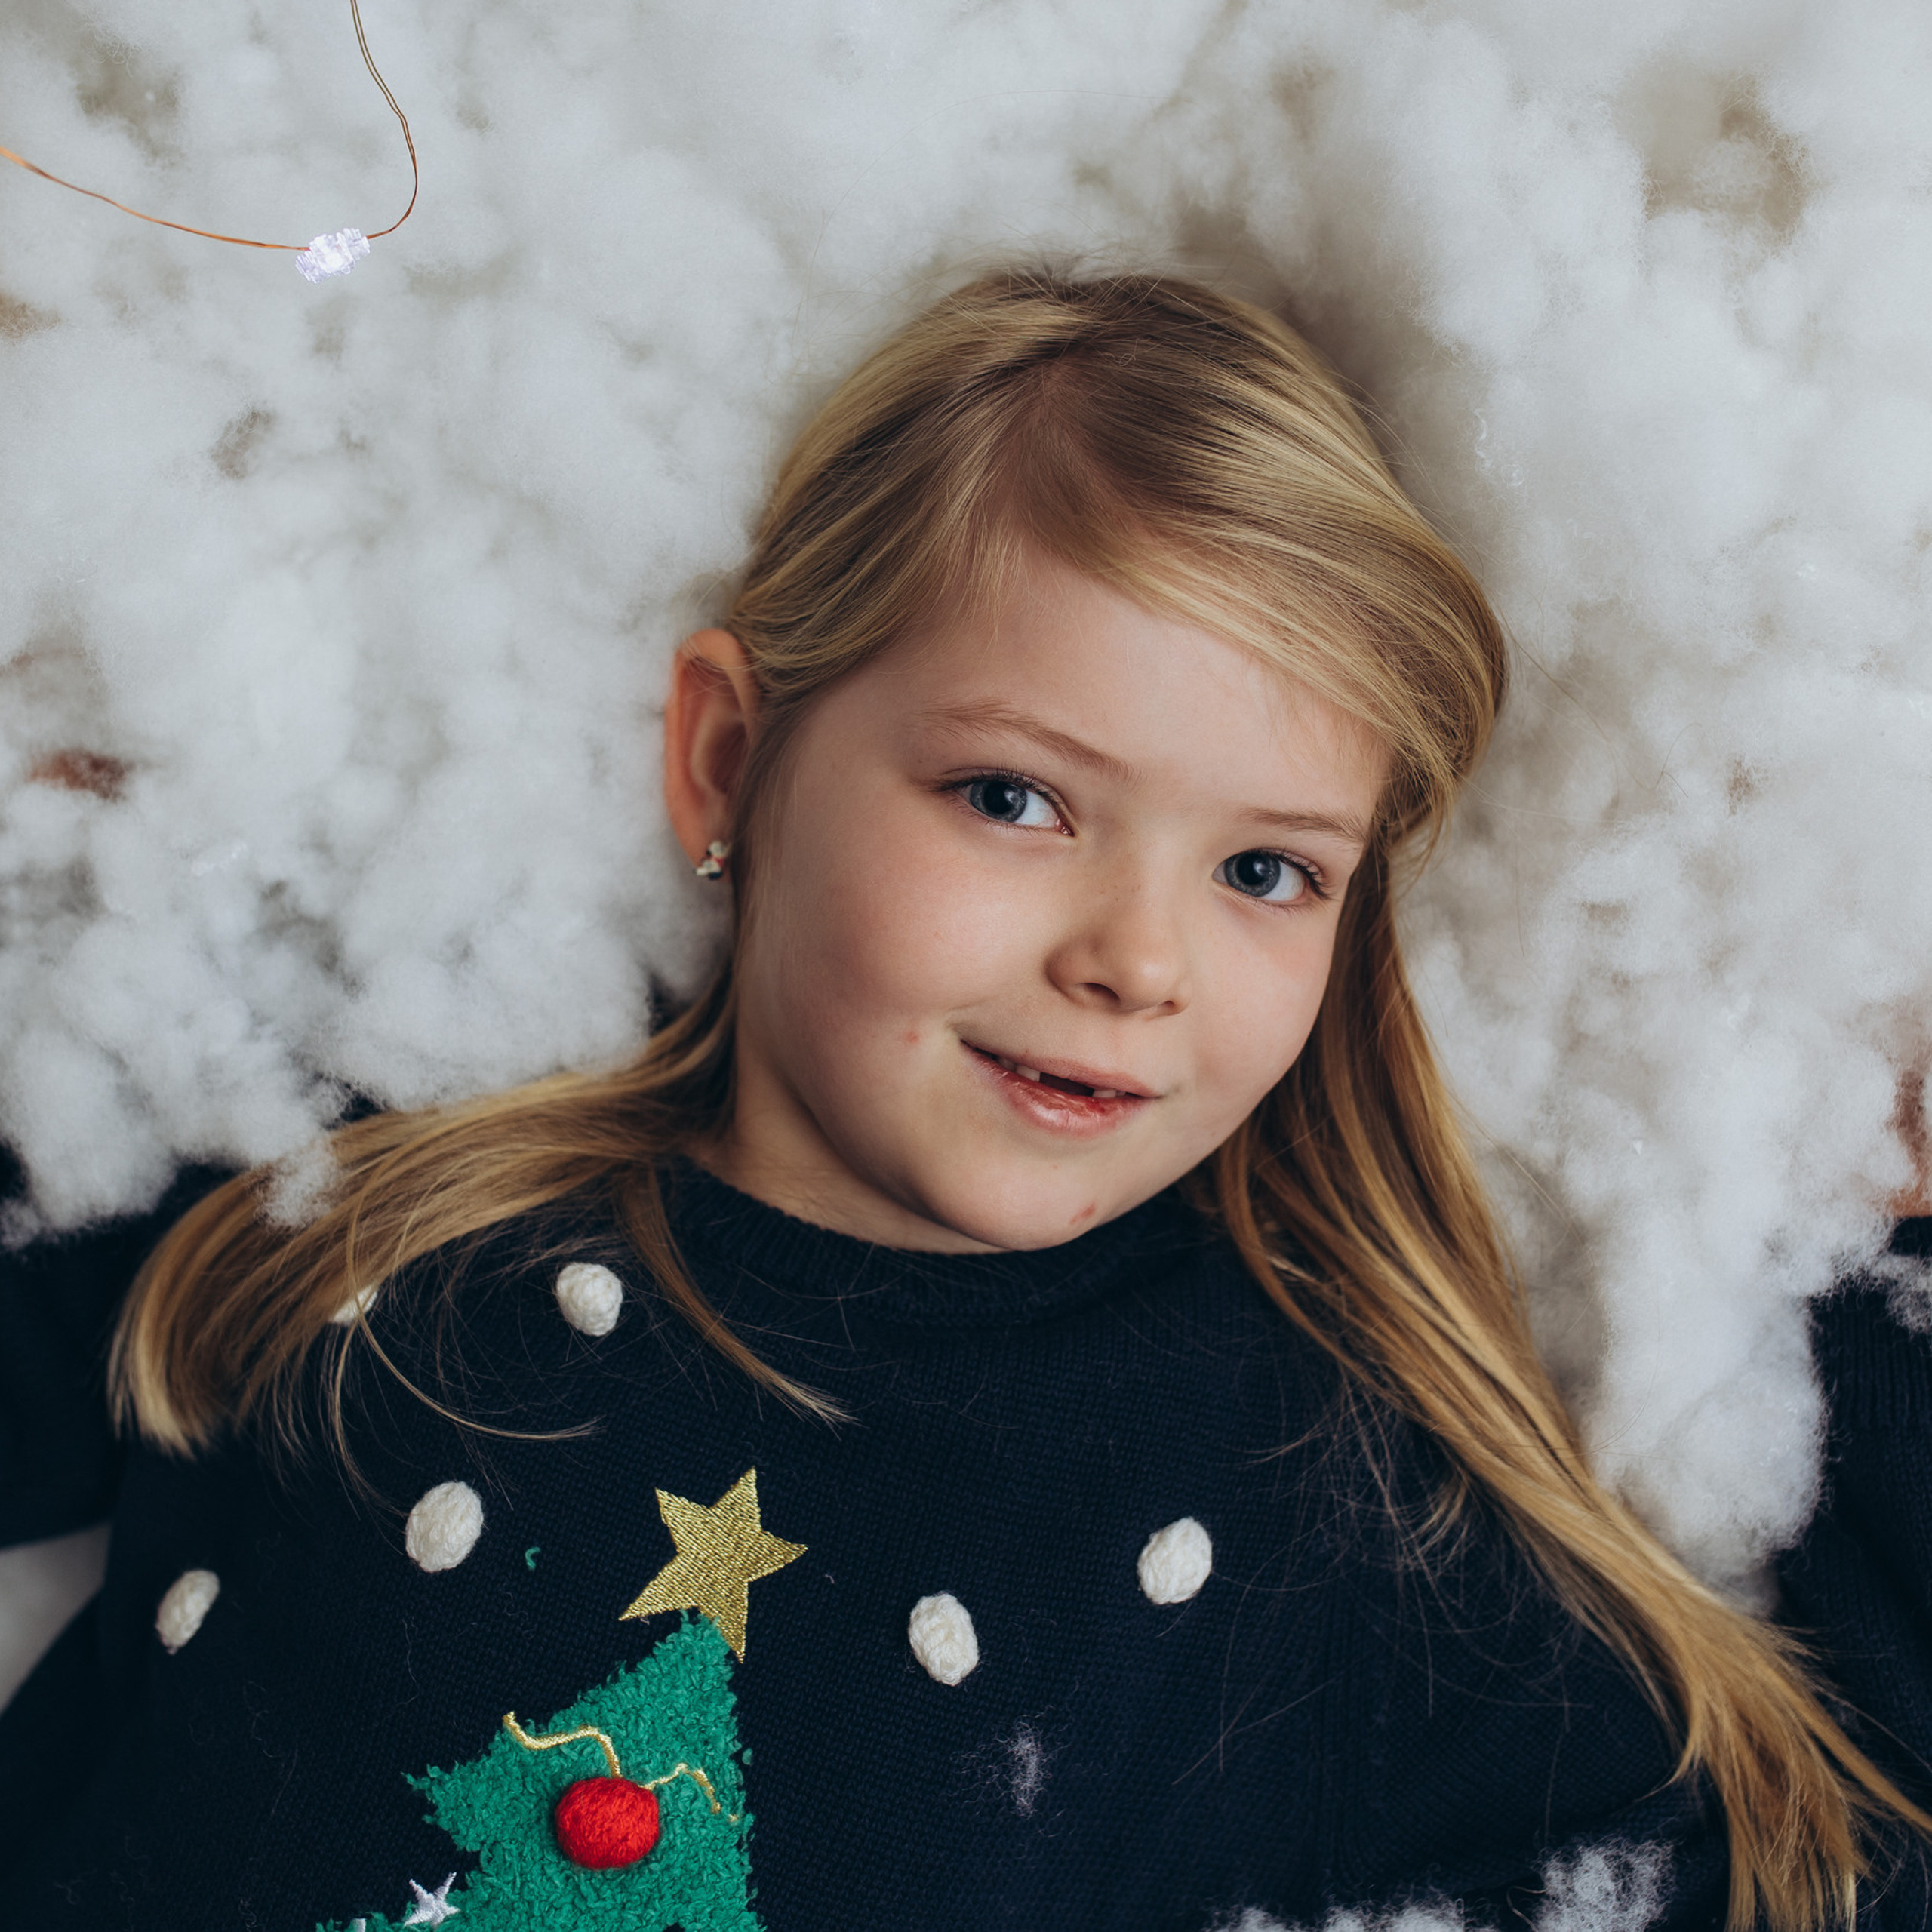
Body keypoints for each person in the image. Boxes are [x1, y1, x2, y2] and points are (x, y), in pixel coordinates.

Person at [2, 268, 1929, 1932]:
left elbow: (1804, 1843)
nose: (1135, 956)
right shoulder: (361, 1195)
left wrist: (1880, 1246)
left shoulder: (1297, 1473)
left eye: (1265, 871)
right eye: (1016, 798)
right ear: (729, 759)